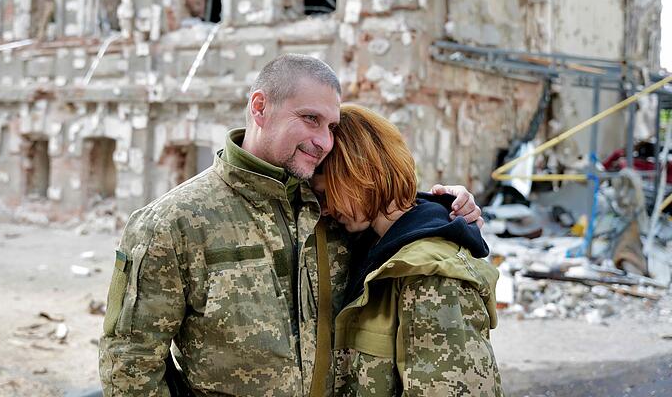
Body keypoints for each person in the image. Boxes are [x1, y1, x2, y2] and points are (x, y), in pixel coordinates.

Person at [98, 54, 483, 396]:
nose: (324, 141)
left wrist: (449, 207)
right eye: (310, 119)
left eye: (331, 126)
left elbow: (397, 211)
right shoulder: (173, 222)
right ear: (260, 107)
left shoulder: (331, 203)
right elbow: (130, 363)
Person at [317, 103, 502, 396]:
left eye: (328, 193)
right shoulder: (372, 250)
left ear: (361, 174)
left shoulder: (430, 274)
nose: (325, 209)